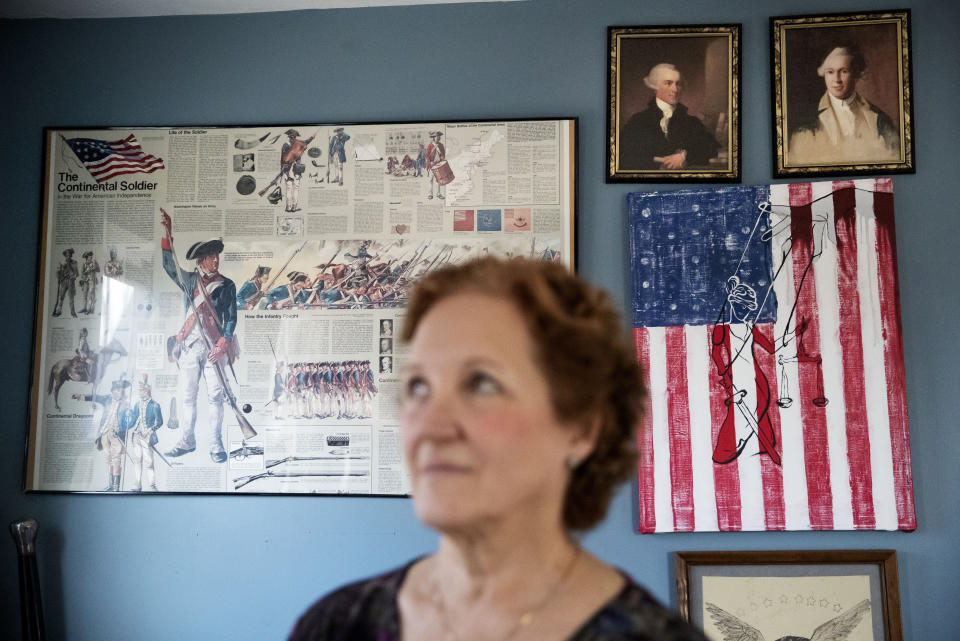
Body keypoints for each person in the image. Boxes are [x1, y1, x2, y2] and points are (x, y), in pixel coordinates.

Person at [288, 257, 710, 641]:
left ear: (581, 430)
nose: (431, 427)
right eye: (418, 386)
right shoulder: (337, 625)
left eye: (481, 383)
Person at [160, 210, 237, 463]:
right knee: (187, 396)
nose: (215, 260)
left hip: (215, 348)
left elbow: (231, 319)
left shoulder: (227, 285)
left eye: (216, 256)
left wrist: (223, 344)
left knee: (216, 397)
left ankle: (216, 444)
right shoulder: (190, 281)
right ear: (201, 261)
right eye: (210, 257)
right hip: (191, 347)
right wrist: (167, 234)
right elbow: (169, 266)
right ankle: (187, 440)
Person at [788, 43, 899, 164]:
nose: (837, 79)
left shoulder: (880, 120)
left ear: (856, 74)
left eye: (844, 71)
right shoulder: (805, 120)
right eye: (830, 72)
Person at [619, 63, 720, 171]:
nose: (675, 89)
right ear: (655, 86)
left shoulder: (692, 122)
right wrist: (658, 164)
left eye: (678, 84)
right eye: (668, 83)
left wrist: (683, 156)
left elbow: (712, 148)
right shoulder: (638, 121)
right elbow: (623, 156)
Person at [74, 377, 131, 492]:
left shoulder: (126, 405)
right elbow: (96, 397)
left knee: (116, 460)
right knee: (109, 459)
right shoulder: (107, 399)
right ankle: (110, 486)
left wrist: (124, 424)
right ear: (113, 391)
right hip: (104, 434)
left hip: (116, 436)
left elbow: (128, 423)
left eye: (121, 391)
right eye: (118, 390)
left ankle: (116, 488)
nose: (120, 393)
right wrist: (81, 397)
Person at [125, 374, 164, 492]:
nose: (139, 392)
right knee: (137, 461)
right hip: (136, 436)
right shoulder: (136, 404)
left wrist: (149, 431)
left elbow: (160, 422)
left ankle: (152, 485)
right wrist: (127, 419)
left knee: (149, 462)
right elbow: (133, 420)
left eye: (141, 390)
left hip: (147, 438)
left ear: (146, 391)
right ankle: (137, 485)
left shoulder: (155, 405)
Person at [53, 248, 79, 318]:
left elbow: (77, 274)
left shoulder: (74, 262)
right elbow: (57, 273)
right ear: (65, 255)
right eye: (67, 255)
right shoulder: (61, 262)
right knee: (61, 297)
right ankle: (58, 311)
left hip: (71, 282)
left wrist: (72, 276)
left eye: (70, 255)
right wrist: (60, 272)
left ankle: (73, 313)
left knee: (71, 298)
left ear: (71, 255)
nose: (68, 256)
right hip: (63, 282)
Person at [426, 131, 446, 200]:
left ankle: (438, 193)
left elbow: (443, 155)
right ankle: (430, 194)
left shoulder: (441, 145)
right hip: (432, 165)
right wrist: (430, 162)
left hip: (439, 165)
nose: (438, 137)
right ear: (433, 138)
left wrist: (442, 158)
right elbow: (427, 156)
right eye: (436, 136)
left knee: (438, 180)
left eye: (438, 136)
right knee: (430, 180)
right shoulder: (430, 145)